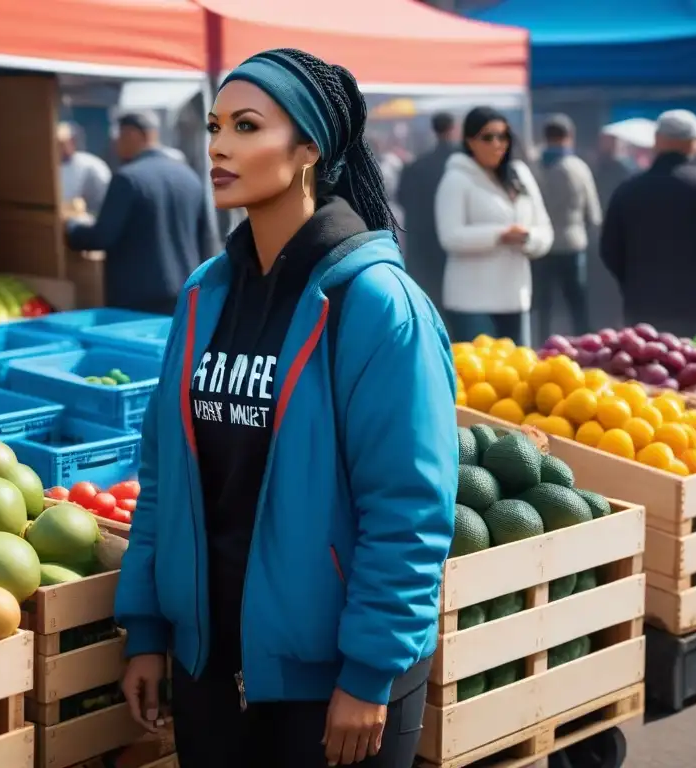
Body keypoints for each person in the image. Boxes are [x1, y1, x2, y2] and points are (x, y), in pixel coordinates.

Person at [114, 48, 457, 768]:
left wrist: (370, 671)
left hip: (332, 678)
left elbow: (409, 507)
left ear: (308, 148)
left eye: (245, 126)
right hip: (208, 662)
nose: (218, 146)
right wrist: (146, 625)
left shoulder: (374, 305)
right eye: (213, 127)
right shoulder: (205, 294)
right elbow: (164, 475)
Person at [600, 110, 696, 337]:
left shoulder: (628, 190)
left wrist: (633, 282)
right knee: (692, 367)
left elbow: (609, 249)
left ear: (657, 141)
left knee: (643, 367)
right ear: (694, 144)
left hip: (642, 303)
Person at [65, 110, 214, 316]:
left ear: (134, 135)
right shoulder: (189, 176)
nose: (116, 143)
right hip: (186, 292)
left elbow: (102, 237)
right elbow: (206, 239)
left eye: (120, 136)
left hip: (137, 299)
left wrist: (71, 227)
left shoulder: (127, 179)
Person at [433, 106, 553, 346]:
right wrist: (500, 235)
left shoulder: (520, 174)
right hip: (471, 301)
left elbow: (545, 230)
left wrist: (527, 238)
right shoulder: (456, 179)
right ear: (470, 141)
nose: (498, 143)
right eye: (488, 137)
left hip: (516, 296)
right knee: (481, 379)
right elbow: (450, 236)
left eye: (503, 136)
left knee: (519, 378)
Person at [532, 114, 601, 343]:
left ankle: (540, 344)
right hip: (571, 243)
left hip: (539, 245)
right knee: (577, 302)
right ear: (569, 137)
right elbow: (593, 213)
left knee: (542, 304)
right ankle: (585, 345)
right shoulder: (578, 168)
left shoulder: (531, 168)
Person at [397, 112, 457, 315]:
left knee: (430, 303)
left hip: (423, 243)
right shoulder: (463, 166)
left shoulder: (415, 166)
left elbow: (402, 199)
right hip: (454, 247)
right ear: (454, 129)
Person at [57, 122, 112, 216]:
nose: (61, 147)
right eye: (58, 143)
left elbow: (106, 199)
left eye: (65, 142)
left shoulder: (91, 165)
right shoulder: (48, 168)